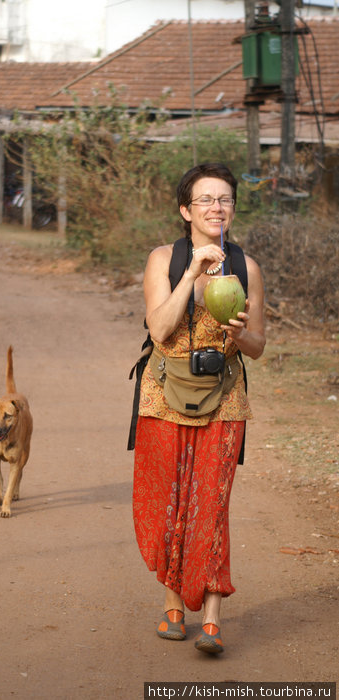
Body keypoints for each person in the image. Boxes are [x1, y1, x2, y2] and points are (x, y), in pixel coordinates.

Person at [132, 162, 265, 654]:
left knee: (211, 505)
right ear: (186, 210)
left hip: (224, 396)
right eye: (206, 200)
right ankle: (172, 600)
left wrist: (239, 334)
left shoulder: (247, 268)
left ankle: (211, 613)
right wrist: (191, 273)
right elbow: (160, 329)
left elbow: (258, 347)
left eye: (225, 199)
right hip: (163, 393)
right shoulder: (163, 260)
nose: (217, 207)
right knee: (168, 502)